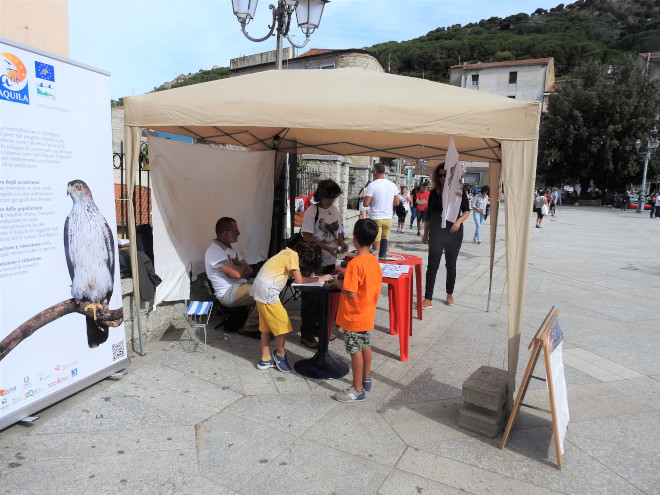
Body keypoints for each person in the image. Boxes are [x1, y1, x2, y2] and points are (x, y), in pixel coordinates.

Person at [251, 236, 333, 372]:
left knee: (265, 327)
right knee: (283, 325)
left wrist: (310, 276)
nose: (302, 266)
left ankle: (265, 359)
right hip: (268, 292)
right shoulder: (294, 257)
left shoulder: (286, 252)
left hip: (259, 290)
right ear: (305, 258)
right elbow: (299, 280)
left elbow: (296, 276)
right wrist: (320, 278)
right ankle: (280, 356)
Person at [330, 219, 381, 402]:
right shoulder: (373, 261)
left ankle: (357, 389)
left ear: (354, 238)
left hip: (353, 315)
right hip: (367, 313)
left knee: (355, 350)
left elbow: (350, 292)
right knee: (365, 345)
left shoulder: (354, 264)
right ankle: (366, 379)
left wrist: (337, 282)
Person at [300, 179, 349, 348]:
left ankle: (318, 329)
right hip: (314, 261)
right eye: (329, 197)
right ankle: (306, 334)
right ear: (320, 196)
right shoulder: (312, 211)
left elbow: (339, 230)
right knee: (311, 299)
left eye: (334, 197)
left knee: (324, 298)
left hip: (330, 260)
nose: (331, 200)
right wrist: (326, 247)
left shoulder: (334, 210)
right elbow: (306, 235)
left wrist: (341, 242)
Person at [421, 164, 470, 308]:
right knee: (432, 266)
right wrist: (425, 233)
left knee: (451, 265)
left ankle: (449, 294)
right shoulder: (434, 193)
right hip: (436, 233)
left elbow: (466, 211)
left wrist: (458, 222)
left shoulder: (459, 192)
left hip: (453, 233)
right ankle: (428, 298)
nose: (442, 178)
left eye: (445, 175)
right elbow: (428, 215)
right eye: (440, 175)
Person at [205, 217, 259, 334]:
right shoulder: (214, 251)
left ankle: (258, 323)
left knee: (270, 287)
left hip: (240, 286)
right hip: (229, 293)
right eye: (235, 230)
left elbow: (249, 270)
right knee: (265, 291)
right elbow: (238, 273)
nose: (239, 233)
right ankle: (251, 327)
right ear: (225, 233)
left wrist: (238, 271)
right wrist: (239, 270)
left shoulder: (231, 248)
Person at [363, 162, 400, 259]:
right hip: (388, 218)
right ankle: (385, 260)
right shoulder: (392, 185)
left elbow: (365, 203)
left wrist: (375, 203)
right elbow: (396, 202)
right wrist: (386, 204)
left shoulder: (372, 185)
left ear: (375, 172)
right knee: (385, 242)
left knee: (376, 244)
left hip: (376, 217)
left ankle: (379, 264)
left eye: (372, 171)